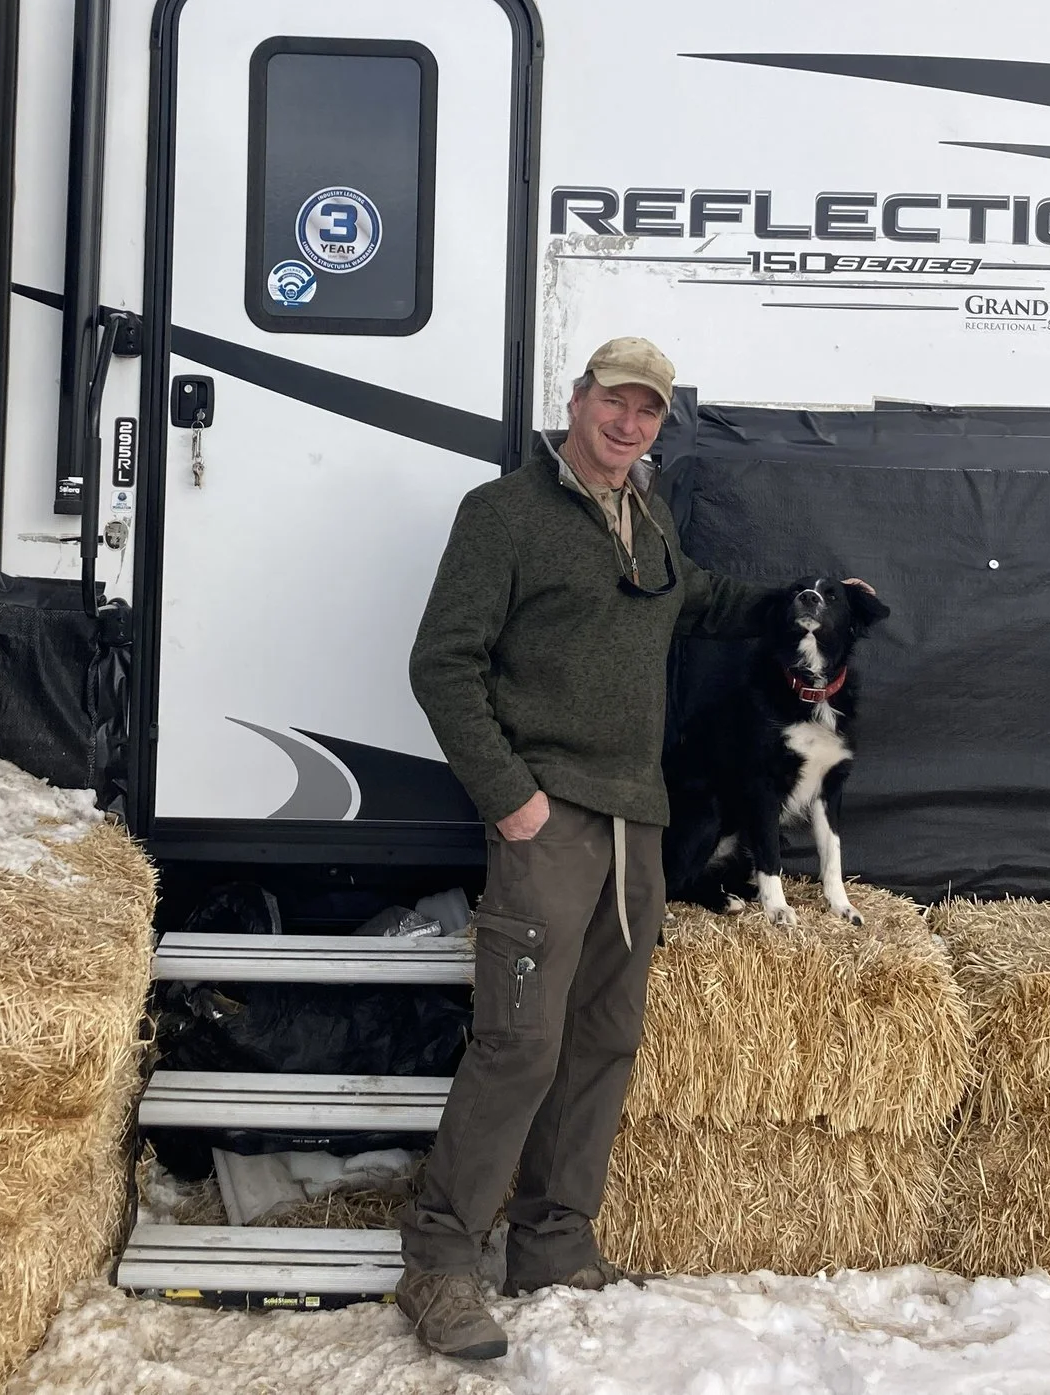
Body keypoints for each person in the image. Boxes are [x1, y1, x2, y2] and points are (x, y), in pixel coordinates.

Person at [394, 335, 776, 1360]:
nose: (628, 423)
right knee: (520, 1040)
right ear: (575, 400)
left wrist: (805, 599)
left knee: (604, 1035)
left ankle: (553, 1242)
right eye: (615, 401)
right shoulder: (503, 514)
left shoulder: (647, 518)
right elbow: (442, 664)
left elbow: (697, 598)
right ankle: (438, 1262)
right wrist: (511, 799)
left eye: (648, 411)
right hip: (548, 814)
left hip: (635, 820)